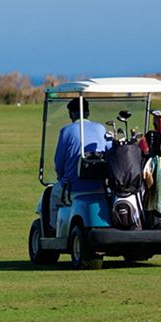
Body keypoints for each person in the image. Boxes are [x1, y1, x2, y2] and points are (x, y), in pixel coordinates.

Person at [50, 97, 109, 232]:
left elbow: (59, 164)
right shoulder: (100, 128)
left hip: (74, 188)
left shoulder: (67, 131)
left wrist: (61, 178)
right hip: (100, 187)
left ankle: (53, 233)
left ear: (71, 114)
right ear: (87, 112)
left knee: (53, 194)